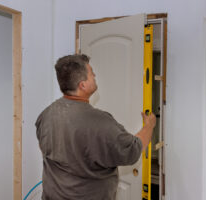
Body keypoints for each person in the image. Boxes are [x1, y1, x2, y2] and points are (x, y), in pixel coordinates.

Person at [35, 54, 156, 200]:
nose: (95, 75)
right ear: (83, 85)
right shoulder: (100, 122)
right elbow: (133, 149)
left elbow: (47, 149)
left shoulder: (46, 115)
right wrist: (149, 126)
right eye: (91, 73)